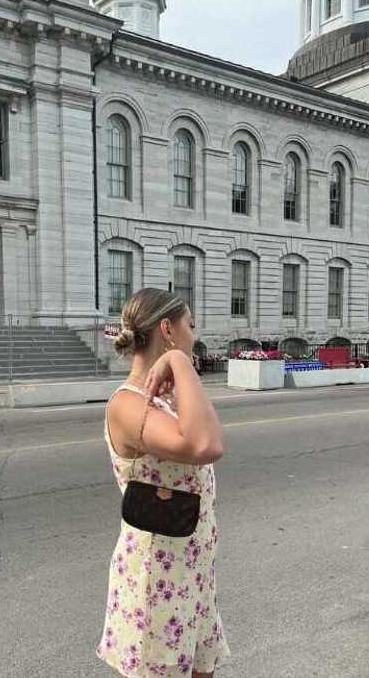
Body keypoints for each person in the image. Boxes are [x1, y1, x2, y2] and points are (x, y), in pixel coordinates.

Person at [96, 287, 229, 677]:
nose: (195, 335)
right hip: (156, 580)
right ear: (167, 330)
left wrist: (178, 372)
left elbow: (204, 431)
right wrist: (179, 361)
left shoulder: (168, 398)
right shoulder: (127, 404)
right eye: (191, 325)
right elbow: (206, 445)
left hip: (192, 570)